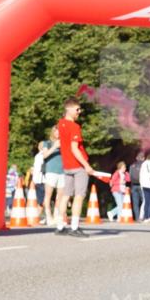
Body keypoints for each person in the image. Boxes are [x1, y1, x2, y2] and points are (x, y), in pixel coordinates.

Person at [54, 98, 97, 237]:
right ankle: (74, 227)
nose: (79, 112)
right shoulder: (74, 126)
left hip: (66, 165)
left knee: (65, 196)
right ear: (69, 109)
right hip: (78, 165)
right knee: (79, 196)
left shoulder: (60, 124)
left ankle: (60, 227)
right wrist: (87, 166)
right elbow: (75, 148)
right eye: (77, 109)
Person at [41, 126, 64, 226]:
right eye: (56, 132)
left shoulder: (64, 143)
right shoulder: (47, 143)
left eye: (60, 132)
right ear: (53, 132)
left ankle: (57, 215)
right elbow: (45, 155)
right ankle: (48, 215)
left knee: (60, 196)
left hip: (63, 172)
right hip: (51, 171)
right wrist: (55, 146)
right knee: (48, 195)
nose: (58, 134)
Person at [128, 152, 145, 222]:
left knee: (135, 203)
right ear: (143, 158)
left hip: (133, 186)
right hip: (142, 185)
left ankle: (137, 218)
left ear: (136, 158)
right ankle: (143, 217)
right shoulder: (144, 165)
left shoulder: (132, 166)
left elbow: (129, 176)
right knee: (144, 201)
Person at [31, 141, 47, 205]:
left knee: (40, 200)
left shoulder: (39, 156)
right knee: (44, 199)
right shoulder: (47, 154)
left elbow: (37, 169)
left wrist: (34, 180)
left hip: (40, 180)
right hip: (45, 180)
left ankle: (40, 213)